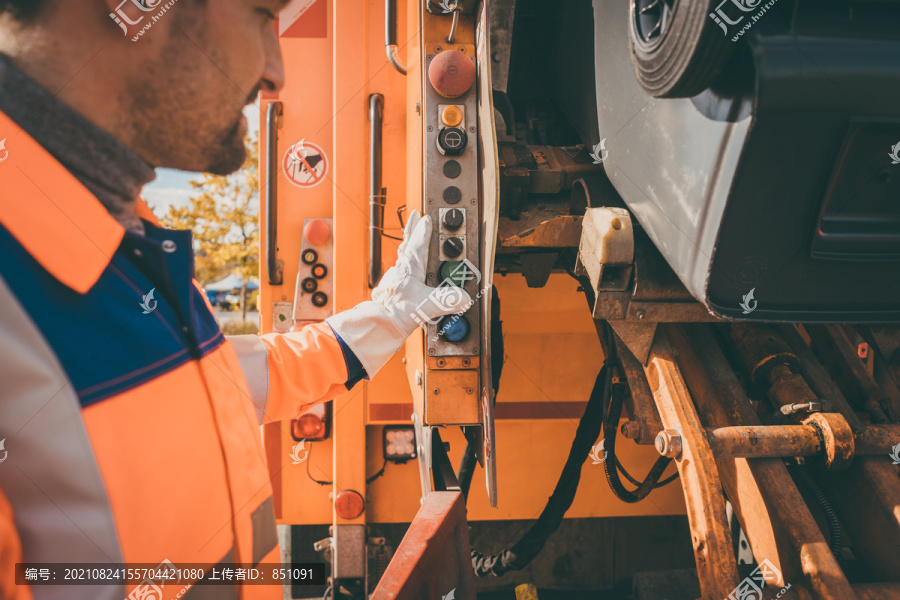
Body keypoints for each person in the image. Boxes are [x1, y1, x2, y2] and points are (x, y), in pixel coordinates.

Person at [0, 1, 470, 598]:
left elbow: (226, 384)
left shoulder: (122, 240)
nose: (276, 72)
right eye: (260, 15)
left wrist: (391, 313)